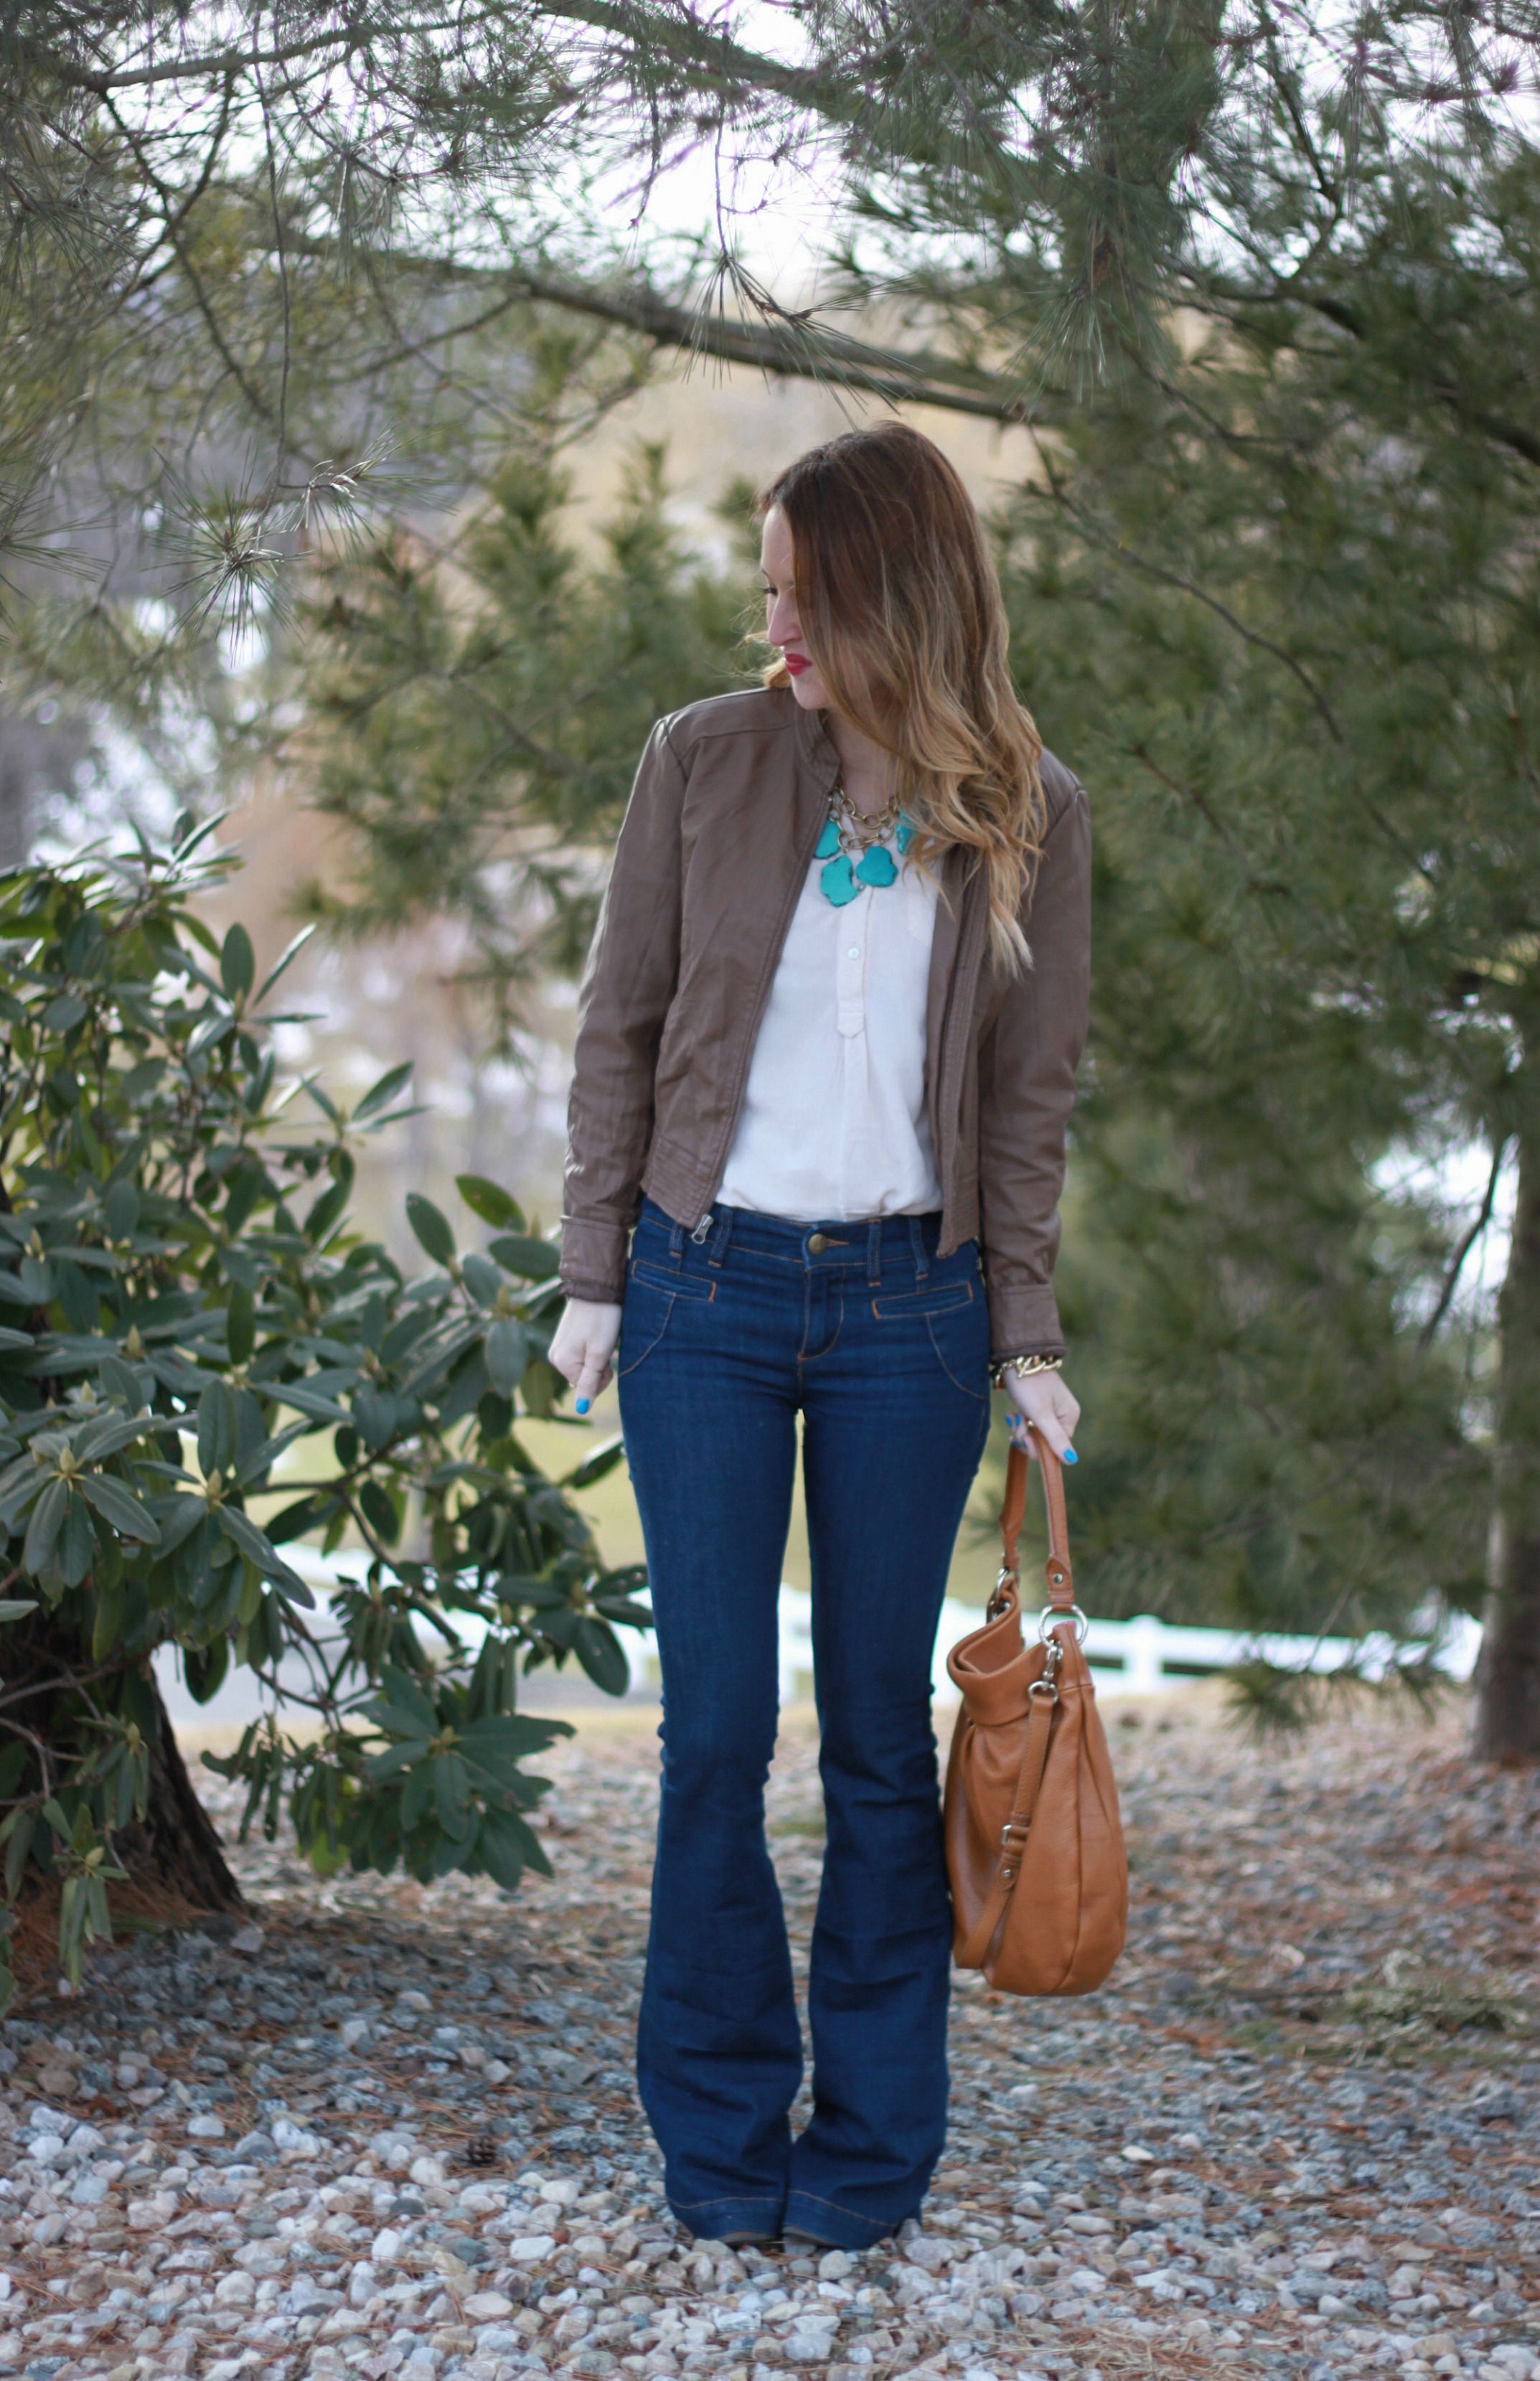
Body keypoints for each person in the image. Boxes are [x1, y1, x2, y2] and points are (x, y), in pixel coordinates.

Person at [549, 421, 1089, 2252]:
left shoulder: (1023, 803)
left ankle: (864, 2161)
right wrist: (591, 1273)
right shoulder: (699, 760)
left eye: (800, 588)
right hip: (704, 1290)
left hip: (907, 1319)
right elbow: (616, 1025)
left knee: (874, 1739)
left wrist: (1026, 1337)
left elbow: (1027, 1102)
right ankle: (714, 2143)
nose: (769, 617)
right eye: (767, 586)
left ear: (886, 592)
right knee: (715, 1729)